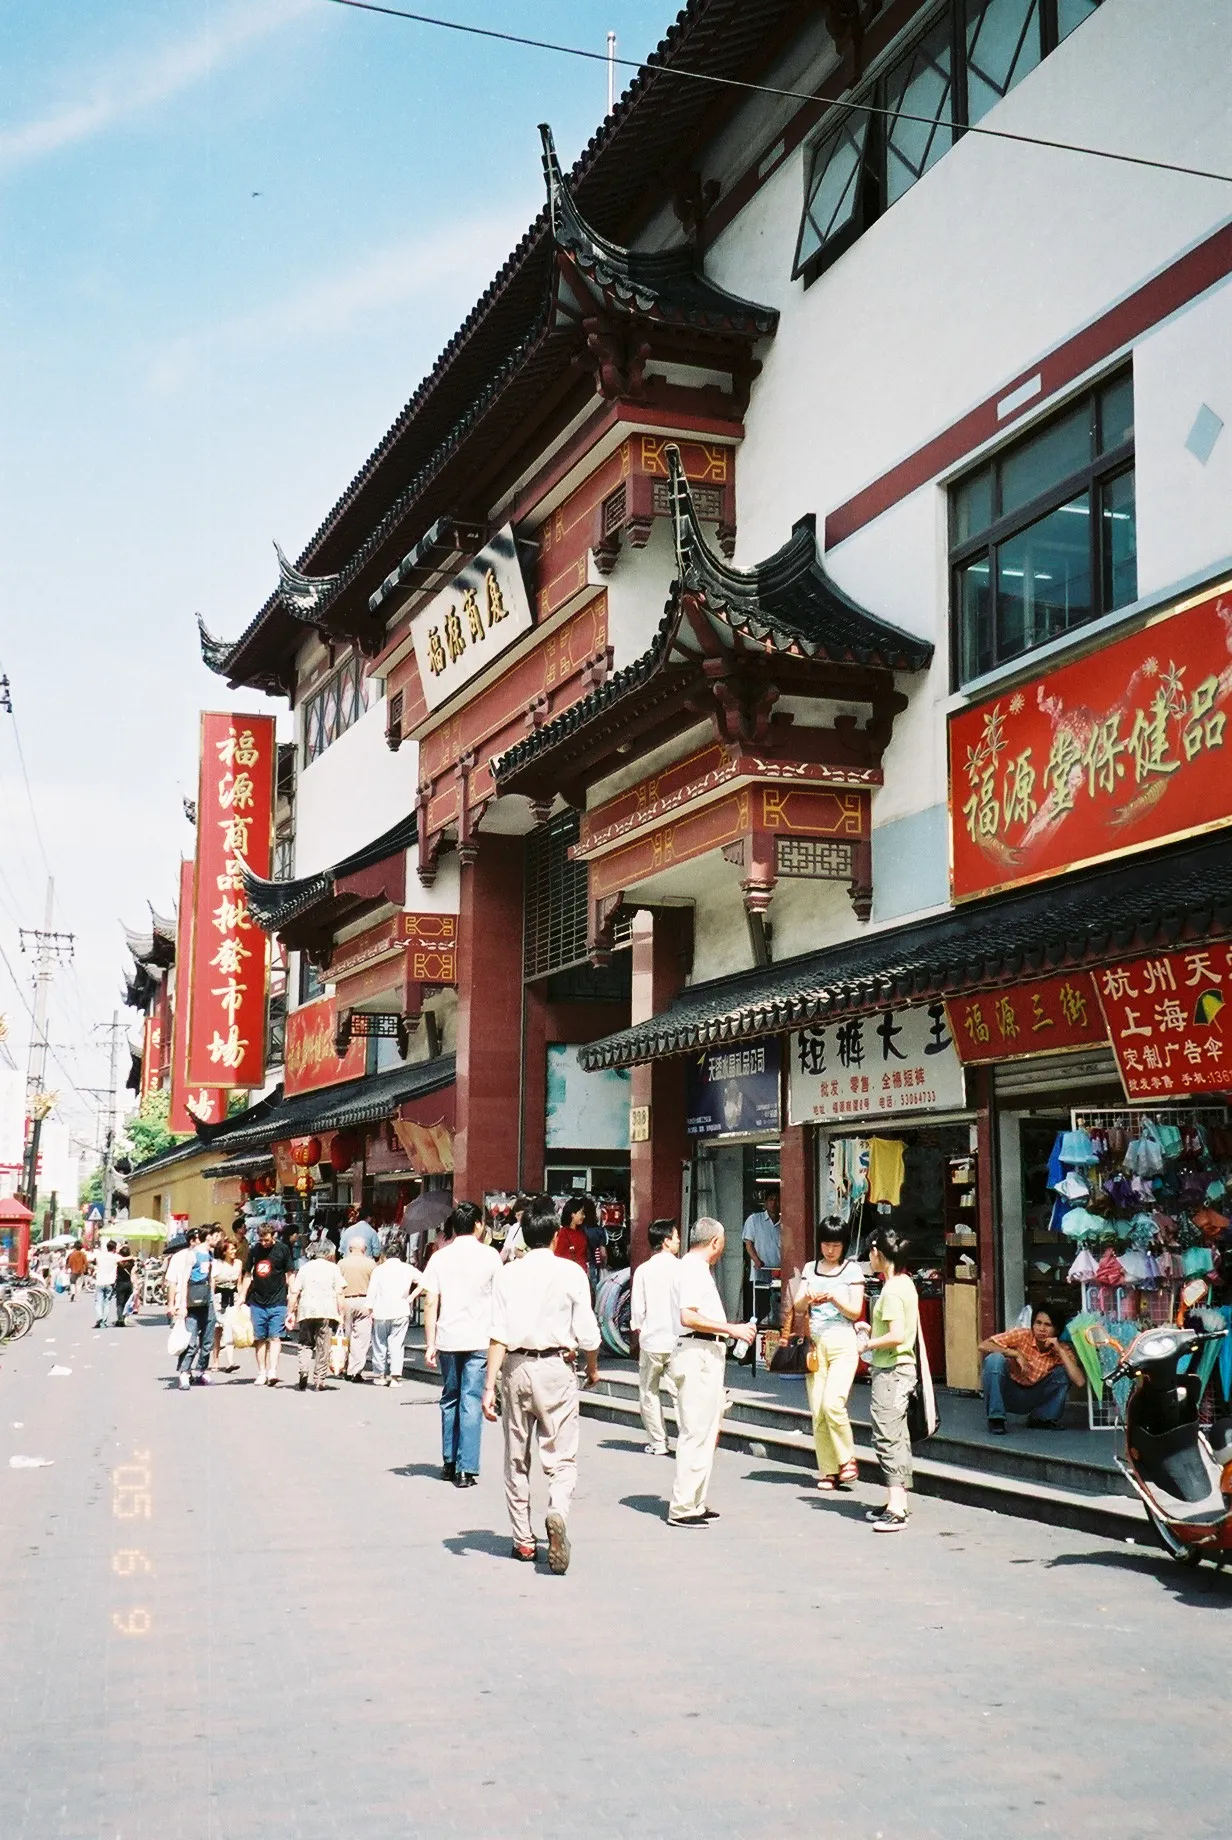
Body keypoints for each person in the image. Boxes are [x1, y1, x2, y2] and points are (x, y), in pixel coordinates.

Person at [482, 1206, 601, 1572]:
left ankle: (523, 1541)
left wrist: (490, 1386)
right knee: (562, 1456)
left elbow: (498, 1333)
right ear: (554, 1238)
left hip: (516, 1368)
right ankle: (557, 1511)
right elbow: (588, 1332)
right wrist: (592, 1368)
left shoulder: (507, 1274)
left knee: (516, 1457)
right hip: (557, 1367)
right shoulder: (571, 1272)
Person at [666, 1218, 755, 1528]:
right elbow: (688, 1316)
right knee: (696, 1431)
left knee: (705, 1430)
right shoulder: (692, 1269)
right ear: (716, 1242)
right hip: (697, 1352)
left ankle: (694, 1501)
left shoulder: (693, 1268)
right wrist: (731, 1328)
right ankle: (682, 1506)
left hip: (704, 1352)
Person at [423, 1201, 502, 1485]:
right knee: (471, 1399)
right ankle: (466, 1468)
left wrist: (430, 1342)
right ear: (479, 1226)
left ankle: (449, 1461)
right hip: (480, 1338)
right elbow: (500, 1298)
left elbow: (431, 1300)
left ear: (454, 1227)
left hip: (447, 1338)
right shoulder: (491, 1256)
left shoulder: (440, 1258)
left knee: (450, 1397)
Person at [798, 1218, 865, 1490]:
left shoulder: (852, 1271)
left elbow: (855, 1310)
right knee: (818, 1410)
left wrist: (834, 1298)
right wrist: (809, 1297)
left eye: (835, 1245)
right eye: (826, 1244)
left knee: (833, 1404)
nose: (830, 1250)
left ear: (843, 1245)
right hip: (815, 1344)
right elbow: (798, 1305)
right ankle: (827, 1470)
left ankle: (847, 1458)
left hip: (842, 1341)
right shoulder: (809, 1269)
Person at [863, 1225, 920, 1532]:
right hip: (902, 1370)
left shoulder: (890, 1291)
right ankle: (899, 1501)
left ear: (878, 1253)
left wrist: (868, 1343)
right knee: (898, 1436)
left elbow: (897, 1335)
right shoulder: (905, 1284)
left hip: (891, 1371)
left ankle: (896, 1506)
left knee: (886, 1436)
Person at [979, 1306, 1084, 1433]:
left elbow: (1080, 1381)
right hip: (1008, 1392)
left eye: (1048, 1325)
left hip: (1034, 1396)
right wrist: (1015, 1354)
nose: (1041, 1329)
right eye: (1038, 1323)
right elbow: (984, 1345)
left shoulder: (1062, 1349)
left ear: (1057, 1330)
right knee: (994, 1359)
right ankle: (996, 1419)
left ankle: (1042, 1418)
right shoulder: (1022, 1335)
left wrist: (1060, 1351)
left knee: (1064, 1372)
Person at [630, 1218, 680, 1456]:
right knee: (680, 1393)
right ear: (666, 1241)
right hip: (678, 1340)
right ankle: (688, 1440)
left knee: (649, 1392)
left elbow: (637, 1310)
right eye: (676, 1236)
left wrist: (641, 1329)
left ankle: (659, 1441)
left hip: (652, 1340)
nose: (679, 1240)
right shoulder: (681, 1269)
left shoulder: (643, 1270)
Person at [239, 1221, 294, 1386]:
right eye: (261, 1240)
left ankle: (272, 1371)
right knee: (260, 1338)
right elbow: (248, 1274)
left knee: (275, 1337)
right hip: (257, 1301)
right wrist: (242, 1295)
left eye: (267, 1240)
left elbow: (290, 1274)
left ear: (274, 1236)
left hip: (278, 1301)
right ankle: (261, 1371)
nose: (264, 1243)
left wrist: (293, 1295)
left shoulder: (283, 1249)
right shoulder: (255, 1250)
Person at [287, 1240, 346, 1390]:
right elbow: (339, 1293)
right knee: (323, 1345)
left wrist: (290, 1312)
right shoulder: (334, 1268)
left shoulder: (304, 1268)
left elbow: (294, 1292)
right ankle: (319, 1379)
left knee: (305, 1343)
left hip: (306, 1310)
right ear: (329, 1253)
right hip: (327, 1311)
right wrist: (342, 1314)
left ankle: (303, 1370)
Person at [367, 1238, 425, 1387]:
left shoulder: (378, 1270)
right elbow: (425, 1281)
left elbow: (372, 1291)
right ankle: (394, 1377)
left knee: (379, 1343)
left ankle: (380, 1375)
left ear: (385, 1255)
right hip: (401, 1309)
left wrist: (370, 1308)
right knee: (397, 1344)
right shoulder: (407, 1268)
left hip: (381, 1311)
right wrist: (411, 1297)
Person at [169, 1227, 215, 1389]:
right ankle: (184, 1372)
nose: (216, 1239)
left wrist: (213, 1297)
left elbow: (211, 1278)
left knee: (208, 1339)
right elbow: (184, 1280)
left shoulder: (210, 1255)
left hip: (207, 1299)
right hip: (192, 1300)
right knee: (190, 1339)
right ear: (207, 1237)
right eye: (214, 1236)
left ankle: (201, 1370)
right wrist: (182, 1304)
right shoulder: (191, 1255)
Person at [337, 1234, 376, 1382]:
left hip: (345, 1300)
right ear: (364, 1249)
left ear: (350, 1249)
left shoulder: (341, 1263)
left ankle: (344, 1366)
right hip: (364, 1301)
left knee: (345, 1335)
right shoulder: (371, 1264)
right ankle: (356, 1370)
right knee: (361, 1337)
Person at [742, 1187, 781, 1319]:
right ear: (765, 1203)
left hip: (780, 1274)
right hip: (761, 1273)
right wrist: (756, 1260)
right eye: (771, 1200)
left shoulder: (786, 1223)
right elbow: (748, 1243)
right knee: (760, 1310)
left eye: (778, 1200)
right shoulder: (754, 1219)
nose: (775, 1203)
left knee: (779, 1310)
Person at [210, 1238, 244, 1372]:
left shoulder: (238, 1264)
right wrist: (211, 1300)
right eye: (231, 1249)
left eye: (235, 1248)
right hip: (219, 1298)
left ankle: (230, 1362)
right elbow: (213, 1282)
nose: (234, 1251)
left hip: (233, 1297)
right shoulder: (217, 1264)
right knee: (217, 1330)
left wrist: (241, 1299)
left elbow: (239, 1283)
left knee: (230, 1328)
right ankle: (215, 1360)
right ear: (224, 1252)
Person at [554, 1198, 591, 1274]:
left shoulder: (582, 1232)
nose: (584, 1216)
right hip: (569, 1274)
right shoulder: (562, 1233)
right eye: (581, 1213)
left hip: (582, 1273)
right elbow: (557, 1256)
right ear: (572, 1214)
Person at [93, 1239, 119, 1329]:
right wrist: (132, 1257)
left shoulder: (100, 1256)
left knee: (98, 1302)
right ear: (114, 1248)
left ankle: (99, 1317)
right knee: (107, 1302)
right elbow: (124, 1259)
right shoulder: (115, 1257)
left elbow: (94, 1261)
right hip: (110, 1282)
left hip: (100, 1281)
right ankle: (104, 1321)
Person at [113, 1244, 135, 1328]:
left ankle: (120, 1319)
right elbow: (133, 1273)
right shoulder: (132, 1262)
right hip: (128, 1283)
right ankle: (124, 1318)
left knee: (119, 1303)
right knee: (127, 1303)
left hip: (120, 1283)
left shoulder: (118, 1263)